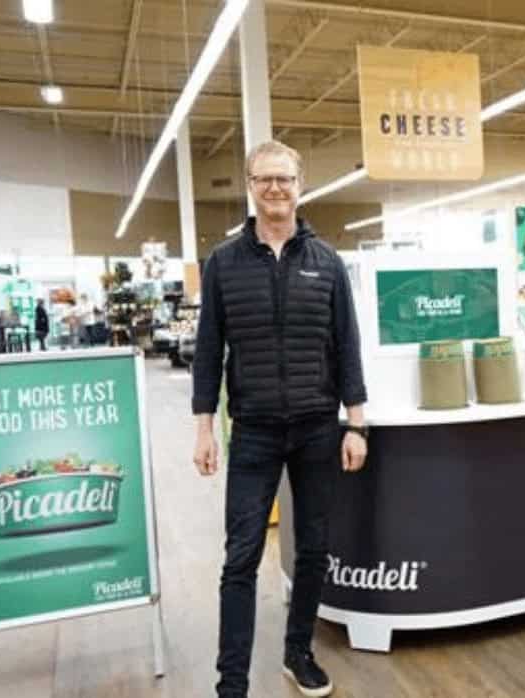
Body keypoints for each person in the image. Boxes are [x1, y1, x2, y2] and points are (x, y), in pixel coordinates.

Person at [191, 139, 368, 698]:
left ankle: (298, 653)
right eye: (265, 178)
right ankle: (232, 683)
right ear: (250, 185)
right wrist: (204, 429)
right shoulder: (223, 264)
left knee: (313, 547)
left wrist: (356, 423)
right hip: (253, 432)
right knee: (241, 556)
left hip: (318, 427)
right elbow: (208, 350)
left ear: (299, 185)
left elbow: (347, 346)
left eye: (285, 179)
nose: (275, 188)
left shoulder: (327, 262)